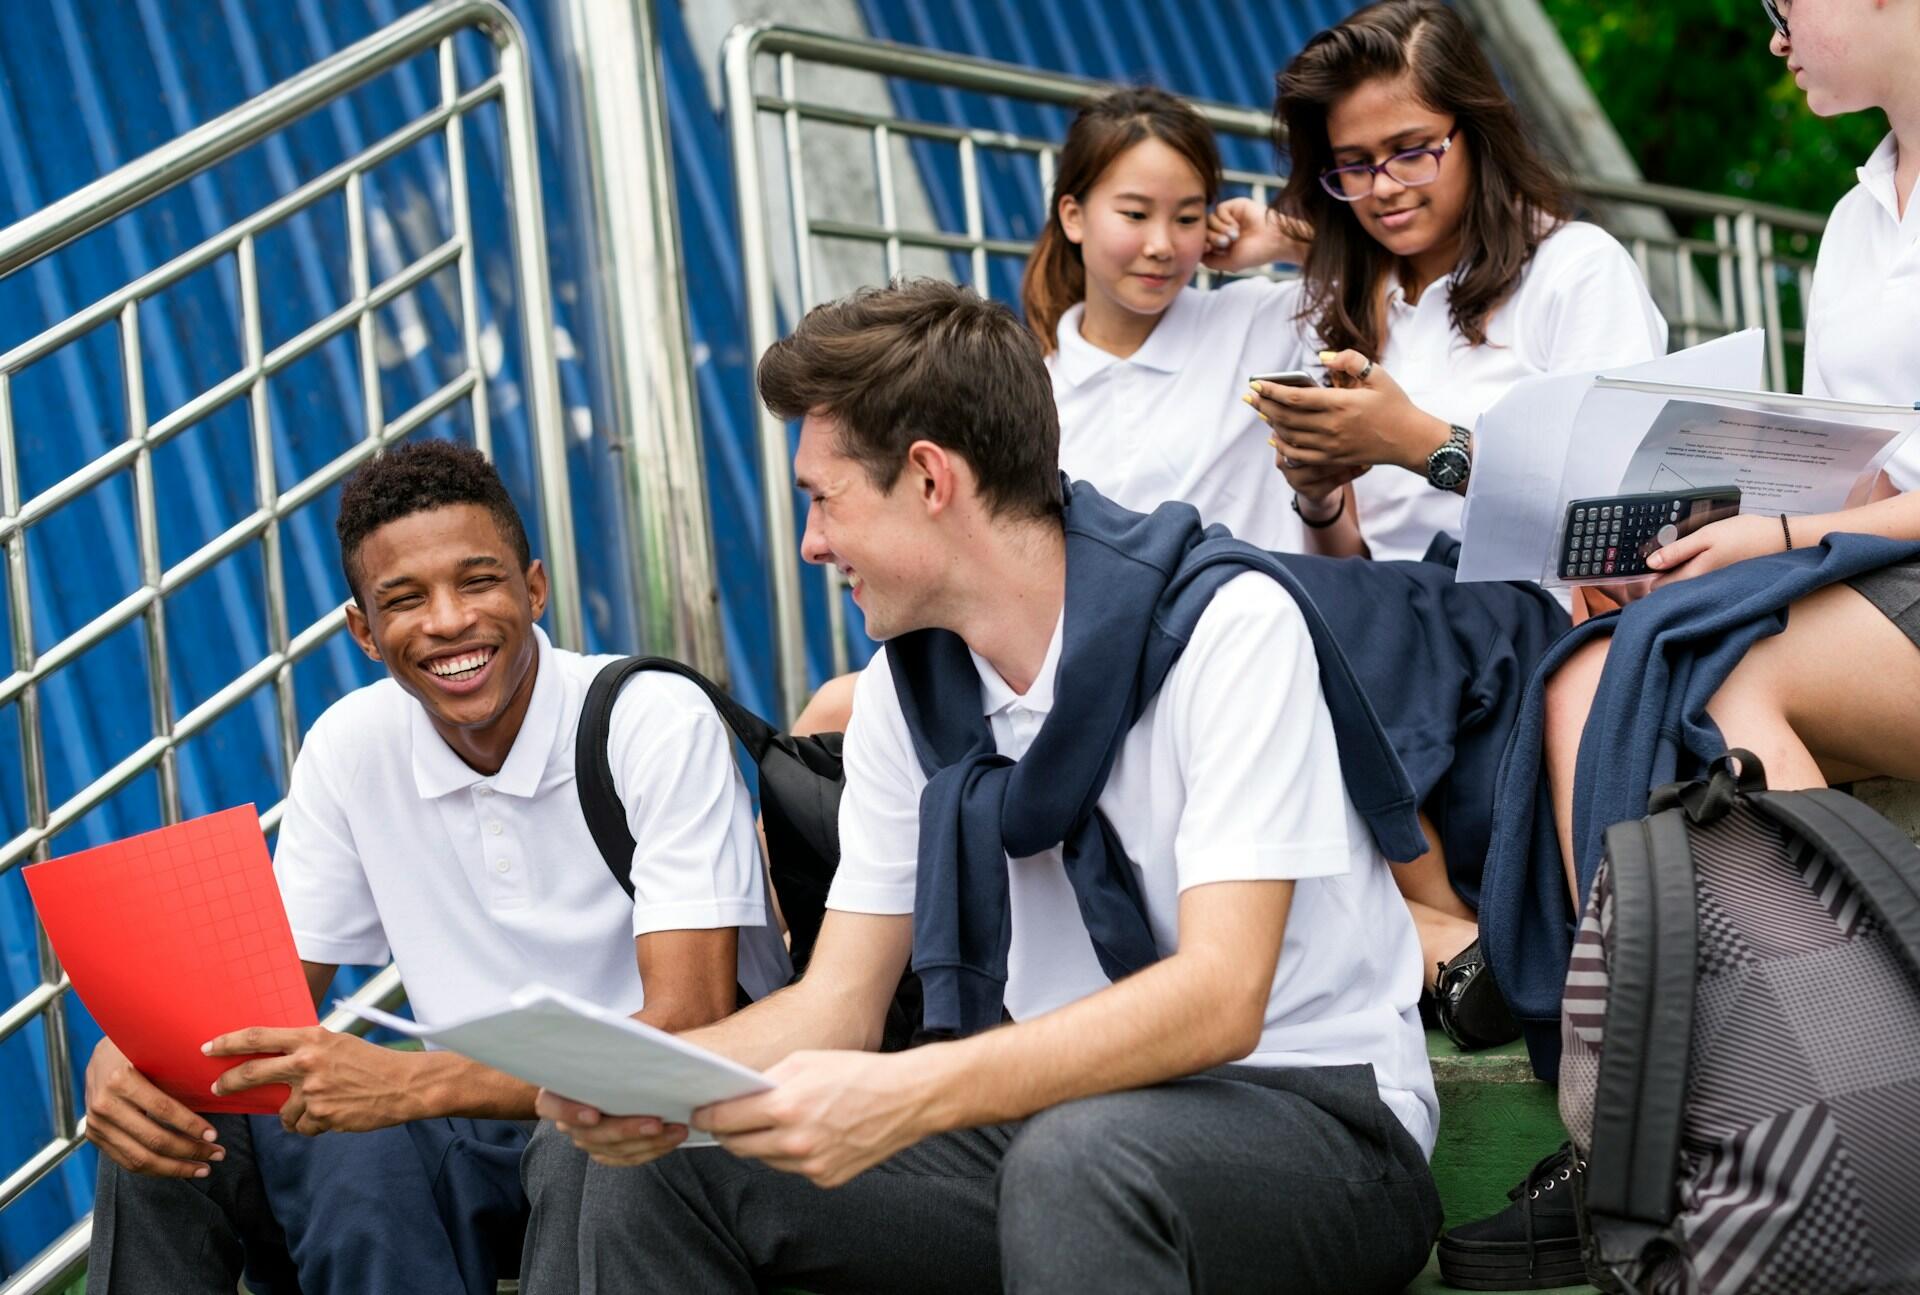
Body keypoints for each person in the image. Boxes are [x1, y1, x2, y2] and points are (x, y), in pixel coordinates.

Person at [521, 278, 1443, 1294]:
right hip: (1043, 1127)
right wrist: (653, 1090)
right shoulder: (903, 696)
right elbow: (834, 1005)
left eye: (824, 498)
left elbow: (1222, 999)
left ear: (928, 477)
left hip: (1312, 1124)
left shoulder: (1225, 628)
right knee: (650, 1164)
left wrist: (911, 1089)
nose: (810, 542)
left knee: (1086, 1157)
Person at [1448, 2, 1920, 1284]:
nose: (1775, 36)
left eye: (1785, 8)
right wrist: (1701, 526)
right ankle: (1631, 1121)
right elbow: (1870, 479)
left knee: (1716, 666)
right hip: (1879, 560)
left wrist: (1772, 534)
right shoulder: (1852, 219)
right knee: (1593, 667)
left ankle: (1870, 1094)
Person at [82, 441, 789, 1295]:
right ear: (364, 632)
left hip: (658, 1130)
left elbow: (684, 1026)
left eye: (478, 581)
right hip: (476, 1128)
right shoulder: (352, 744)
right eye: (405, 600)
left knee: (573, 1136)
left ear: (534, 588)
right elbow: (263, 1011)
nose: (448, 621)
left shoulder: (650, 720)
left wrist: (410, 1083)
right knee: (175, 1115)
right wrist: (129, 1060)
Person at [1020, 78, 1574, 1044]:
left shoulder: (1254, 321)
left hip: (1250, 624)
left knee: (1263, 637)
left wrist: (1273, 237)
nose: (1163, 245)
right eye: (1134, 214)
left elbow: (1388, 244)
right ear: (1071, 214)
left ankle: (1434, 914)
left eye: (1187, 217)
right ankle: (1427, 929)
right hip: (1106, 650)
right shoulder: (1034, 383)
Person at [1216, 0, 1667, 564]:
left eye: (1410, 152)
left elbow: (1624, 520)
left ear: (1478, 134)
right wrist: (1318, 495)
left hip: (1541, 627)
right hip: (1388, 623)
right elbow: (1350, 567)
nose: (1383, 188)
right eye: (1354, 164)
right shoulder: (1346, 309)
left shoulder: (1576, 269)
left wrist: (1418, 441)